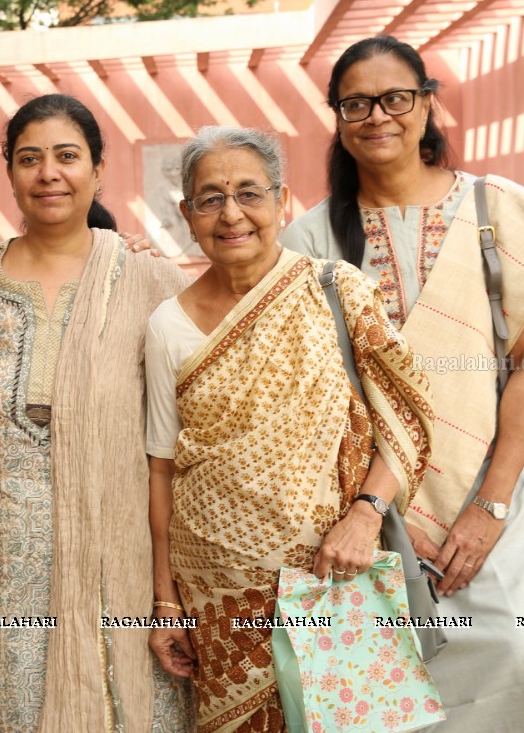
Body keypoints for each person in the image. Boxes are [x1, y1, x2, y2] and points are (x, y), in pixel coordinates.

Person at [280, 35, 524, 732]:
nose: (377, 115)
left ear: (426, 104)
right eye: (356, 102)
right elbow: (307, 393)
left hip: (486, 504)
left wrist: (493, 506)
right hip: (355, 525)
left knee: (512, 668)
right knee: (372, 707)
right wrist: (367, 512)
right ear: (336, 115)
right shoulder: (308, 240)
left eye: (396, 98)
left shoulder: (494, 208)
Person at [0, 94, 194, 732]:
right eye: (29, 159)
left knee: (124, 699)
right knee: (12, 707)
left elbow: (178, 423)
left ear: (98, 168)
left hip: (121, 538)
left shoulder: (146, 278)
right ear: (10, 173)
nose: (48, 173)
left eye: (66, 156)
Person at [143, 125, 435, 732]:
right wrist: (166, 600)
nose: (231, 215)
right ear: (187, 215)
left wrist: (365, 515)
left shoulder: (337, 291)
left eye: (249, 193)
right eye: (210, 198)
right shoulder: (166, 325)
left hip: (334, 575)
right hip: (217, 594)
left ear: (283, 200)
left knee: (349, 722)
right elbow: (162, 467)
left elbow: (405, 413)